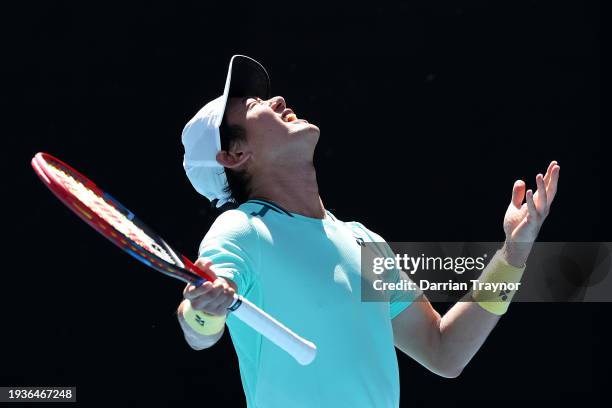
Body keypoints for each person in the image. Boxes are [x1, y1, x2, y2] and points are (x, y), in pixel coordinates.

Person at [178, 55, 560, 407]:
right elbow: (197, 323)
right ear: (233, 156)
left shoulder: (364, 242)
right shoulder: (241, 230)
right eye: (255, 107)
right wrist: (203, 311)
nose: (276, 99)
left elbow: (445, 351)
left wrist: (513, 253)